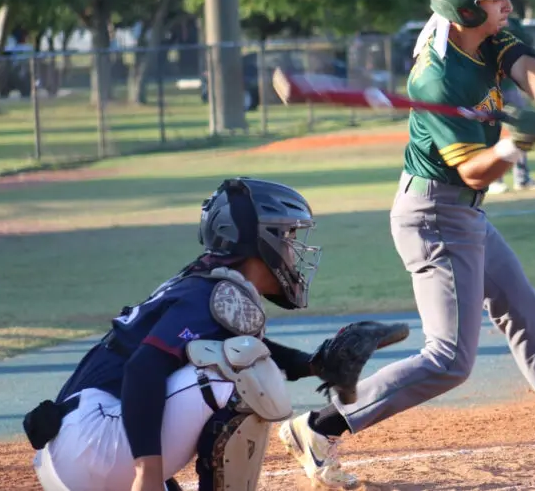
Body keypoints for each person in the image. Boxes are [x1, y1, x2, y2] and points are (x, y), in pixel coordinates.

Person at [278, 0, 535, 490]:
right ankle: (319, 426)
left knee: (525, 312)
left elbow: (525, 63)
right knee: (450, 358)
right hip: (434, 214)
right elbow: (476, 172)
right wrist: (514, 144)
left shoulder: (481, 35)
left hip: (462, 213)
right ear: (469, 7)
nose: (509, 5)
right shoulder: (436, 78)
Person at [23, 177, 406, 491]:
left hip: (76, 453)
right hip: (94, 444)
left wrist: (316, 365)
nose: (294, 250)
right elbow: (144, 369)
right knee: (246, 374)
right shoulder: (210, 293)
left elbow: (238, 347)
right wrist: (148, 474)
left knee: (239, 358)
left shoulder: (206, 286)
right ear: (260, 241)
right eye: (287, 236)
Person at [487, 15, 535, 194]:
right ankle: (493, 180)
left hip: (507, 86)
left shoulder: (511, 21)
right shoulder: (479, 18)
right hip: (485, 88)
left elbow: (525, 44)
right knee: (490, 133)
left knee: (523, 129)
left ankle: (522, 178)